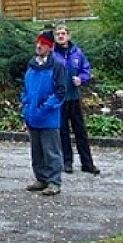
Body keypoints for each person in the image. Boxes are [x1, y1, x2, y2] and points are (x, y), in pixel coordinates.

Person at [21, 30, 66, 197]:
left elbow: (60, 92)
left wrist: (45, 107)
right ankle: (41, 178)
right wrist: (25, 104)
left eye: (43, 44)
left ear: (50, 47)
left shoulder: (57, 66)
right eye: (38, 43)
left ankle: (54, 181)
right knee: (37, 151)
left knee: (51, 151)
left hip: (48, 117)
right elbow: (25, 88)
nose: (39, 46)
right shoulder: (32, 64)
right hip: (32, 115)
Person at [53, 24, 100, 175]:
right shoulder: (52, 54)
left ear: (68, 36)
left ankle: (87, 163)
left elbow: (86, 70)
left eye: (63, 33)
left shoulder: (77, 53)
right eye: (58, 34)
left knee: (81, 131)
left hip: (74, 97)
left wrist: (81, 78)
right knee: (63, 132)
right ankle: (67, 162)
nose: (61, 36)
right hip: (60, 99)